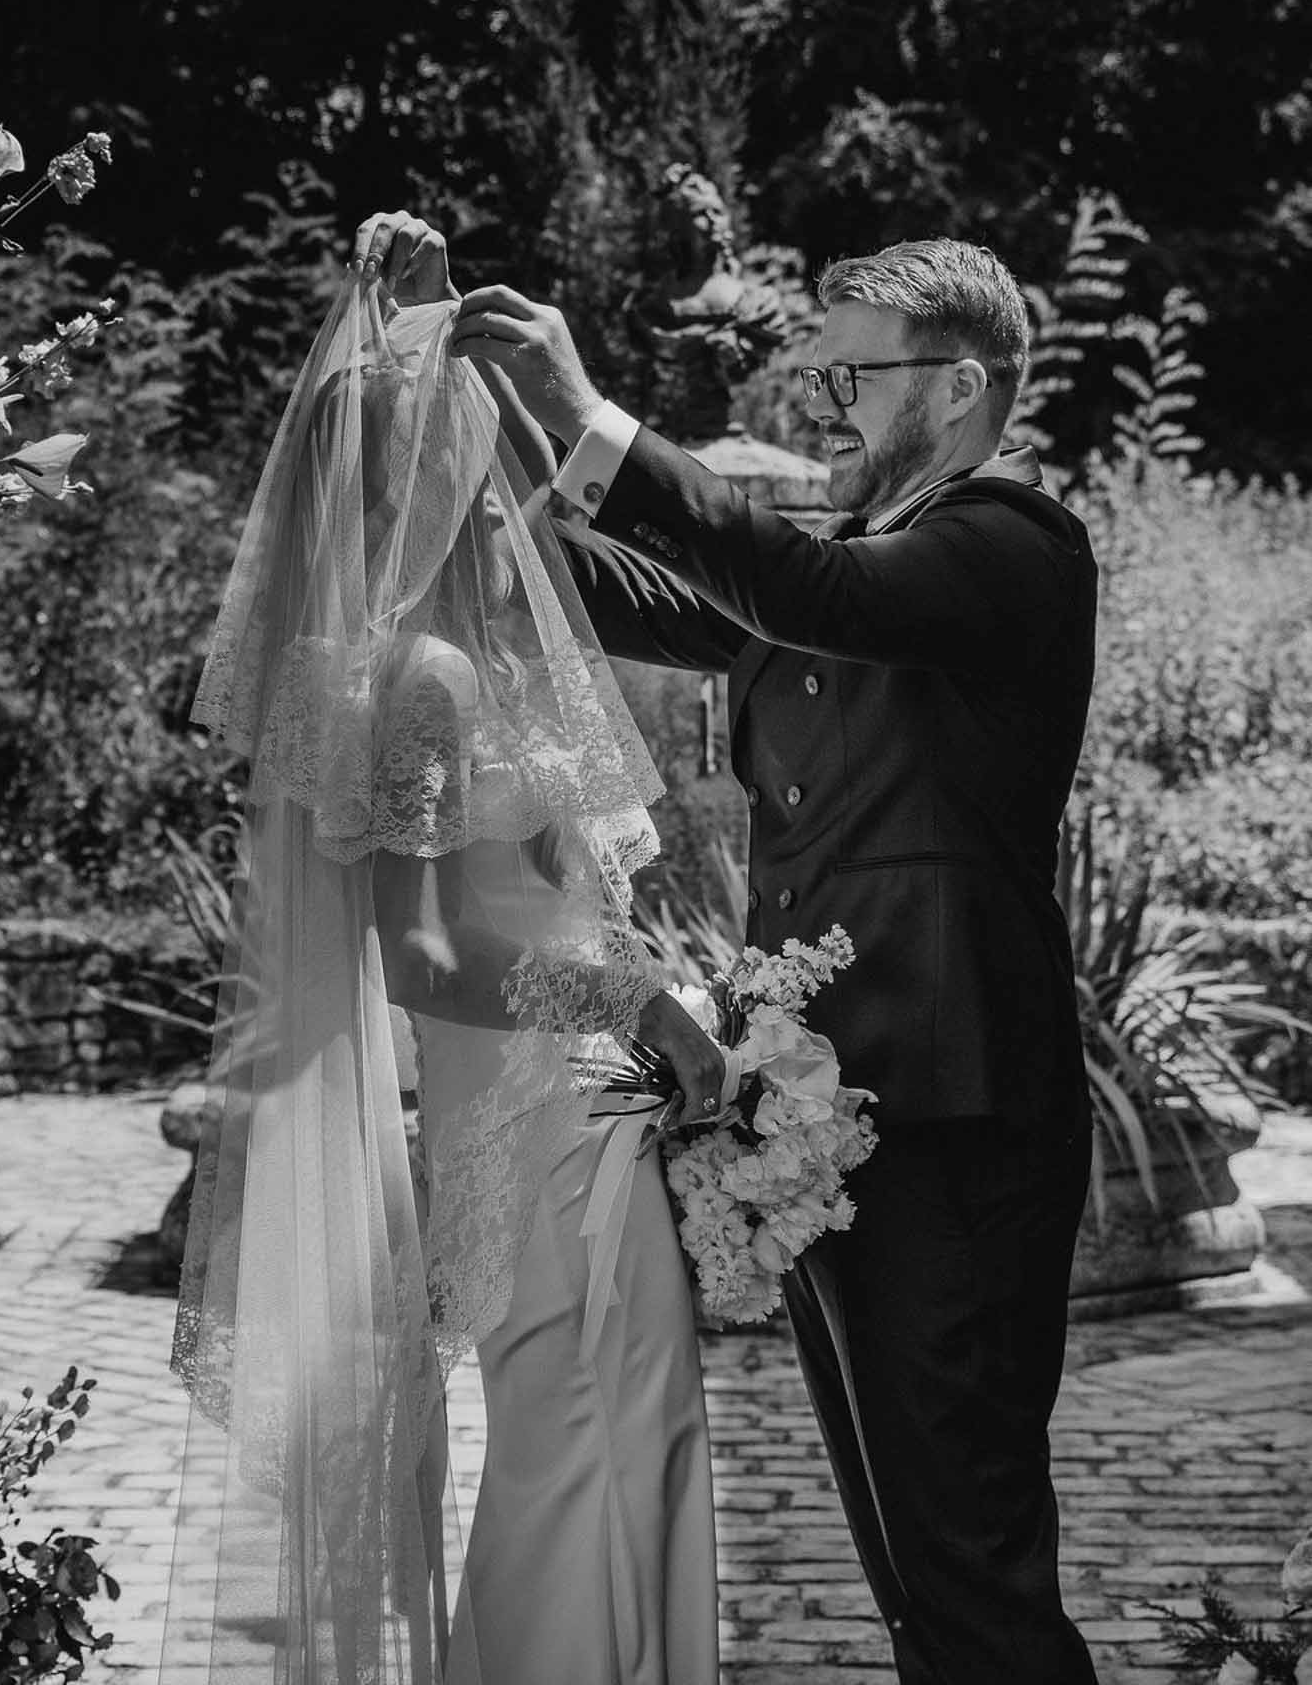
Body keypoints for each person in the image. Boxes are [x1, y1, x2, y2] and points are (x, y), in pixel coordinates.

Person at [352, 212, 1102, 1685]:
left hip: (956, 1107)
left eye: (856, 378)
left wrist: (587, 406)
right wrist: (465, 391)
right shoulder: (848, 568)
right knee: (905, 1558)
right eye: (824, 377)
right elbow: (604, 587)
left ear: (957, 388)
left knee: (967, 1552)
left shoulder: (1010, 546)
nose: (829, 406)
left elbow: (796, 593)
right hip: (833, 1114)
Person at [163, 268, 724, 1685]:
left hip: (568, 1087)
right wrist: (637, 1002)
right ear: (420, 478)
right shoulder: (420, 675)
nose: (495, 490)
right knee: (584, 1418)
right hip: (531, 1104)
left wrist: (424, 307)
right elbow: (416, 955)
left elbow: (532, 887)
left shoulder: (451, 647)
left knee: (614, 1409)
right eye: (467, 452)